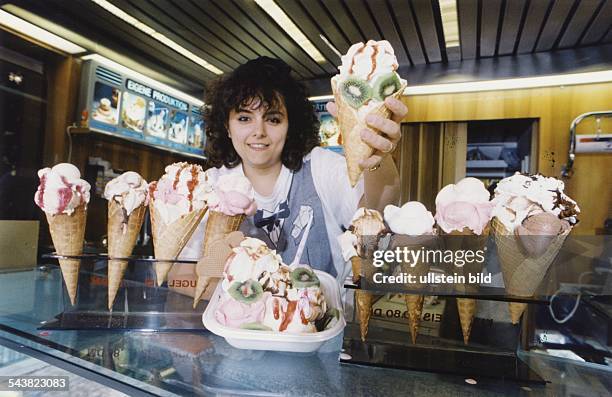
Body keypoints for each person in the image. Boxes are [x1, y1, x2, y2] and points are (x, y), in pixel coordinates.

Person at [180, 56, 407, 282]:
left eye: (274, 119)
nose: (258, 131)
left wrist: (378, 158)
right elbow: (179, 274)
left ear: (291, 126)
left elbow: (375, 209)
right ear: (226, 127)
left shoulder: (319, 166)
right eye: (244, 118)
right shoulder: (208, 187)